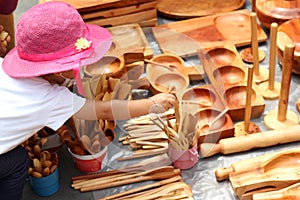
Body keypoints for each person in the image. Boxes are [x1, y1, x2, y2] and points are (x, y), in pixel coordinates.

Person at [0, 2, 176, 200]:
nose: (81, 68)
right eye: (77, 64)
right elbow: (104, 111)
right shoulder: (50, 100)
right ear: (59, 70)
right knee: (18, 162)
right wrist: (150, 105)